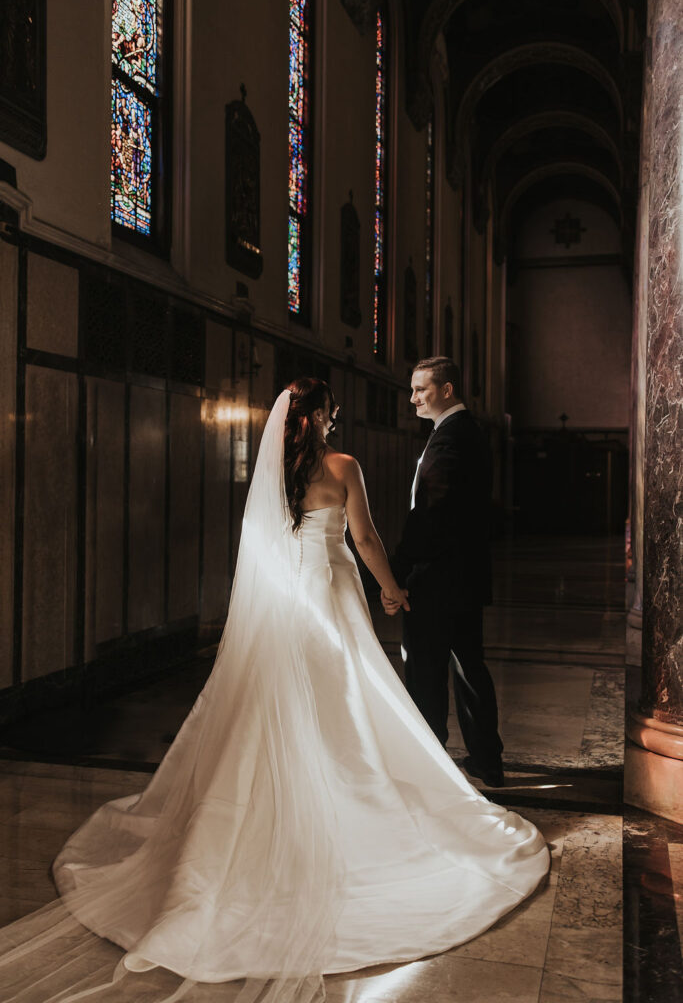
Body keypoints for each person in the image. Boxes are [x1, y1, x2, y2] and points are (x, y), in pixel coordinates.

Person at [0, 378, 548, 1003]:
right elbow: (363, 539)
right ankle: (346, 801)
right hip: (333, 590)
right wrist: (393, 589)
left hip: (290, 595)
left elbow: (267, 543)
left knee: (288, 701)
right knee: (346, 693)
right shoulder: (343, 465)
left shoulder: (277, 471)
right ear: (319, 419)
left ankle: (275, 799)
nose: (336, 423)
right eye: (333, 414)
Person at [382, 357, 505, 787]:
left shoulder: (451, 438)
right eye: (413, 390)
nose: (413, 398)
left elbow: (430, 516)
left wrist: (396, 574)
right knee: (470, 667)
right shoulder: (464, 432)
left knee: (425, 673)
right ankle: (487, 760)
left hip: (437, 580)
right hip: (465, 578)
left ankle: (429, 764)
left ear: (447, 389)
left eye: (421, 389)